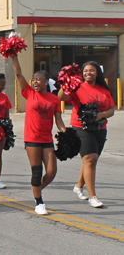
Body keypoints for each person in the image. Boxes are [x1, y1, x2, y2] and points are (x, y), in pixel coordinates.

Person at [13, 55, 66, 215]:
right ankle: (39, 202)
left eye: (38, 79)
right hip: (32, 139)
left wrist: (65, 132)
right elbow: (18, 74)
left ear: (45, 82)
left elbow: (58, 120)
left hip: (47, 140)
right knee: (36, 172)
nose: (35, 82)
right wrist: (14, 55)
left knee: (51, 172)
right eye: (33, 79)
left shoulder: (54, 99)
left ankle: (37, 188)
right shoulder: (29, 93)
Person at [59, 62, 114, 208]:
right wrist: (64, 83)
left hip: (100, 128)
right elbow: (62, 97)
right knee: (90, 158)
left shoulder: (104, 90)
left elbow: (111, 110)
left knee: (91, 160)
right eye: (85, 70)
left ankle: (78, 186)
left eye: (91, 70)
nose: (88, 73)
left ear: (97, 73)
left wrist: (100, 115)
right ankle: (93, 197)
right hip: (80, 127)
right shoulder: (77, 87)